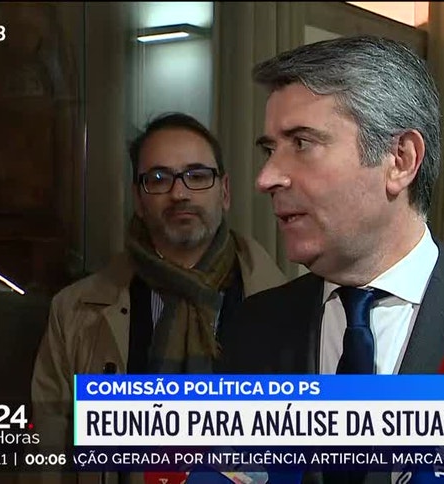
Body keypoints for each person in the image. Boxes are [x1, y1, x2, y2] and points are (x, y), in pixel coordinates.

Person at [214, 36, 444, 483]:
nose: (267, 177)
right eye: (269, 150)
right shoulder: (254, 325)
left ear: (400, 160)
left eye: (301, 143)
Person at [30, 112, 286, 468]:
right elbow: (48, 454)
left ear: (224, 192)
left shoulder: (288, 306)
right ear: (138, 199)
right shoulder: (73, 312)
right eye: (159, 179)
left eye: (197, 176)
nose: (179, 193)